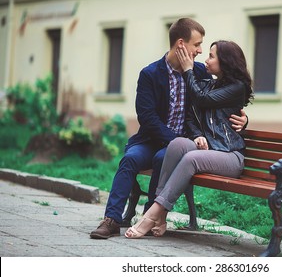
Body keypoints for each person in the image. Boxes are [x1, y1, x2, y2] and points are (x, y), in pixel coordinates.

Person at [90, 18, 248, 239]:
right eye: (197, 44)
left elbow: (222, 100)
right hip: (152, 140)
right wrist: (173, 138)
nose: (200, 51)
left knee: (163, 157)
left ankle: (150, 215)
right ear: (181, 44)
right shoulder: (150, 74)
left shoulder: (199, 73)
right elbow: (147, 117)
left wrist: (244, 119)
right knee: (130, 159)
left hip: (183, 145)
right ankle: (112, 220)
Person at [124, 39, 254, 239]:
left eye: (211, 56)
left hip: (230, 155)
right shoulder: (208, 84)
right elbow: (191, 116)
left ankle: (151, 215)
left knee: (190, 159)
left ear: (225, 62)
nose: (206, 59)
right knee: (177, 144)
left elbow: (202, 100)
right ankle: (161, 213)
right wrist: (198, 135)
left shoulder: (237, 87)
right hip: (210, 151)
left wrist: (187, 70)